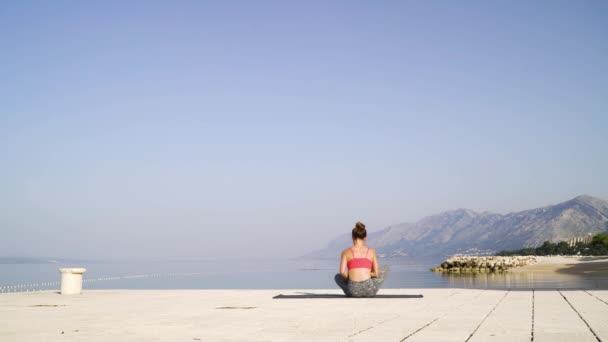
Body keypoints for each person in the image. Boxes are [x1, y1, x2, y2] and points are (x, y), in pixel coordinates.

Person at [334, 221, 388, 297]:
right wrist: (365, 273)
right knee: (385, 269)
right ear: (365, 238)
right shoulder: (371, 251)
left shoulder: (345, 252)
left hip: (353, 291)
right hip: (369, 290)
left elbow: (342, 272)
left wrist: (353, 275)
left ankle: (349, 291)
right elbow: (376, 274)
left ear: (352, 237)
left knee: (337, 277)